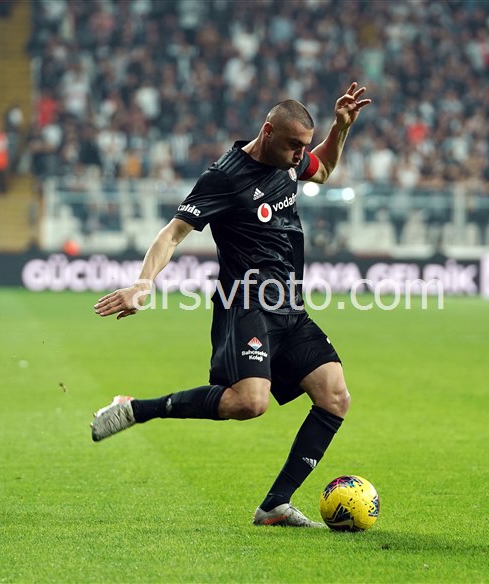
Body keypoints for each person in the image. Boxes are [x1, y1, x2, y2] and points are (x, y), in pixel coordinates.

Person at [91, 82, 371, 528]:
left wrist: (341, 128)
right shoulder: (225, 177)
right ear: (268, 132)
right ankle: (135, 408)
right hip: (246, 304)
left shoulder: (290, 162)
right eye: (294, 146)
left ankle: (275, 505)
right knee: (249, 403)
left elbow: (324, 170)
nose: (300, 155)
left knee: (335, 397)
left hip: (290, 306)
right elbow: (172, 234)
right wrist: (143, 283)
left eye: (304, 146)